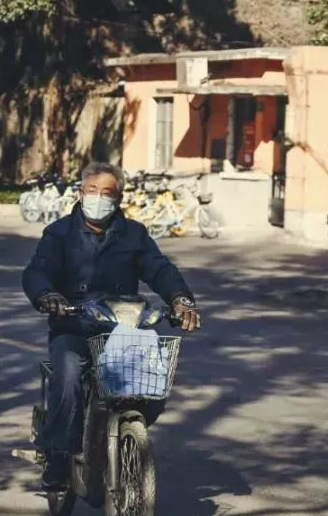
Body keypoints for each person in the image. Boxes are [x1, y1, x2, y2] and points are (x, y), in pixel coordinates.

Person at [22, 161, 201, 490]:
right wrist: (47, 294)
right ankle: (58, 455)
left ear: (118, 198)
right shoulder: (59, 233)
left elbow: (159, 269)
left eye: (106, 192)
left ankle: (126, 436)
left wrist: (181, 298)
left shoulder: (134, 234)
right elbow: (37, 270)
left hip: (123, 327)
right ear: (80, 193)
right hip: (73, 325)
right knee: (70, 375)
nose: (98, 198)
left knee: (151, 379)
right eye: (92, 190)